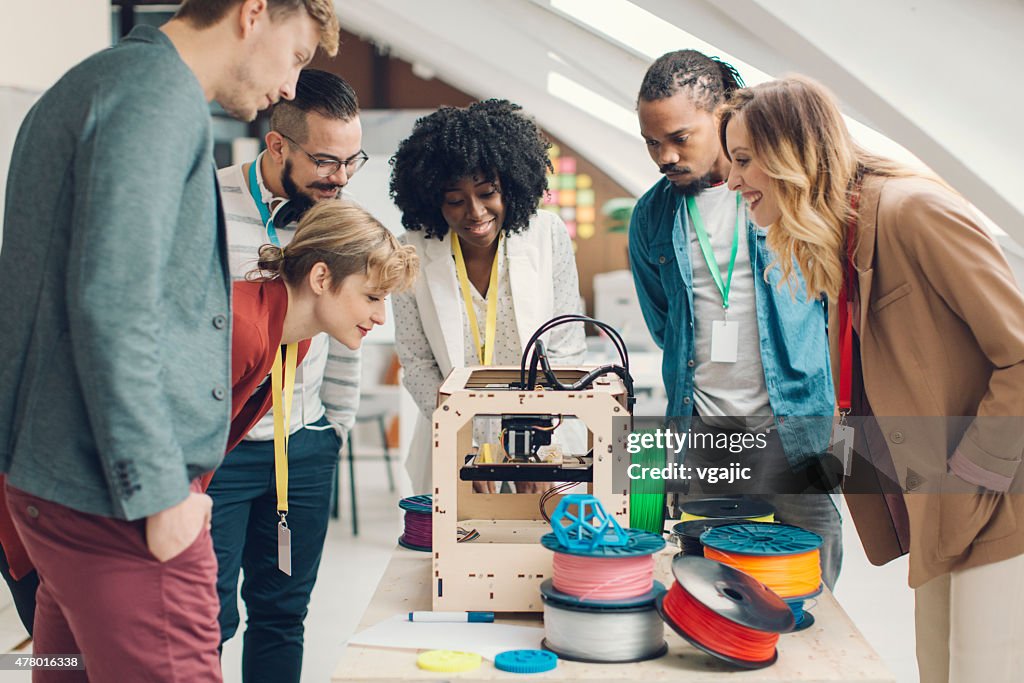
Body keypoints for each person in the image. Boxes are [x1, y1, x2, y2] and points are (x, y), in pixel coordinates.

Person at [0, 0, 339, 679]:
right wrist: (161, 492)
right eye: (297, 55)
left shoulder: (94, 82)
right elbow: (115, 299)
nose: (290, 88)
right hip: (119, 503)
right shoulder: (158, 98)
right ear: (254, 13)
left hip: (54, 488)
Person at [719, 75, 1024, 683]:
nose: (731, 180)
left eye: (745, 160)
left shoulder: (914, 213)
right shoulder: (848, 237)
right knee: (938, 669)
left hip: (999, 510)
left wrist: (969, 482)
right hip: (944, 508)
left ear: (793, 153)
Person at [628, 50, 841, 588]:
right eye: (653, 141)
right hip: (705, 439)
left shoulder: (785, 192)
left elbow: (834, 308)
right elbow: (664, 325)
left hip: (798, 432)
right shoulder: (652, 217)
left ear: (723, 113)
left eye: (679, 137)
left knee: (806, 589)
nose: (664, 156)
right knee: (714, 588)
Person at [212, 68, 365, 683]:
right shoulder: (206, 202)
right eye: (328, 161)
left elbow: (351, 322)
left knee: (282, 613)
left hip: (301, 447)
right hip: (218, 450)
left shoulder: (339, 215)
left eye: (354, 159)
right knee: (206, 617)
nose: (343, 178)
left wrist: (333, 429)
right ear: (278, 146)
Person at [389, 99, 587, 495]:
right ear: (431, 199)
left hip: (540, 438)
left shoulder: (547, 236)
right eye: (456, 200)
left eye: (487, 193)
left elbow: (566, 349)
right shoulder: (410, 249)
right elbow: (417, 363)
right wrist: (466, 446)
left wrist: (531, 442)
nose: (475, 213)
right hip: (453, 440)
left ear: (510, 185)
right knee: (459, 548)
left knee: (541, 549)